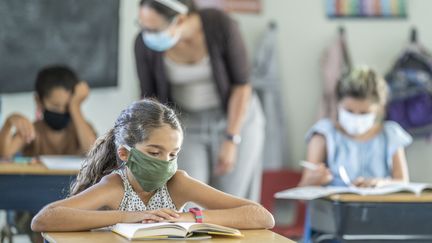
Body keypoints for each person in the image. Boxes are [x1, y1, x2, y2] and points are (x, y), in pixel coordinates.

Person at [30, 99, 274, 232]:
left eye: (172, 154)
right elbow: (44, 219)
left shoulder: (178, 183)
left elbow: (262, 217)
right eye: (155, 152)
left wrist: (189, 217)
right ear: (125, 153)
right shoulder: (115, 187)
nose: (165, 163)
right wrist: (128, 217)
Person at [134, 0, 265, 202]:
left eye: (154, 28)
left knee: (231, 199)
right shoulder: (144, 44)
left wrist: (231, 139)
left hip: (236, 119)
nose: (147, 34)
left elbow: (242, 85)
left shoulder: (220, 25)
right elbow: (149, 98)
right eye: (142, 26)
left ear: (180, 19)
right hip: (185, 124)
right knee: (187, 196)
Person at [299, 66, 412, 188]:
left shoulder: (391, 135)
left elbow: (403, 183)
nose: (356, 118)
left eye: (364, 113)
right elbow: (302, 193)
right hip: (333, 207)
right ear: (338, 104)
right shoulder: (323, 134)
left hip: (379, 206)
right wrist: (313, 181)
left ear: (380, 108)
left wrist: (381, 183)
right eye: (349, 111)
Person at [0, 65, 96, 158]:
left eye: (67, 106)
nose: (62, 111)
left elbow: (93, 153)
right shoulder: (32, 131)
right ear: (39, 101)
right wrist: (9, 122)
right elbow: (5, 154)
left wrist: (75, 106)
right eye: (55, 106)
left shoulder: (82, 128)